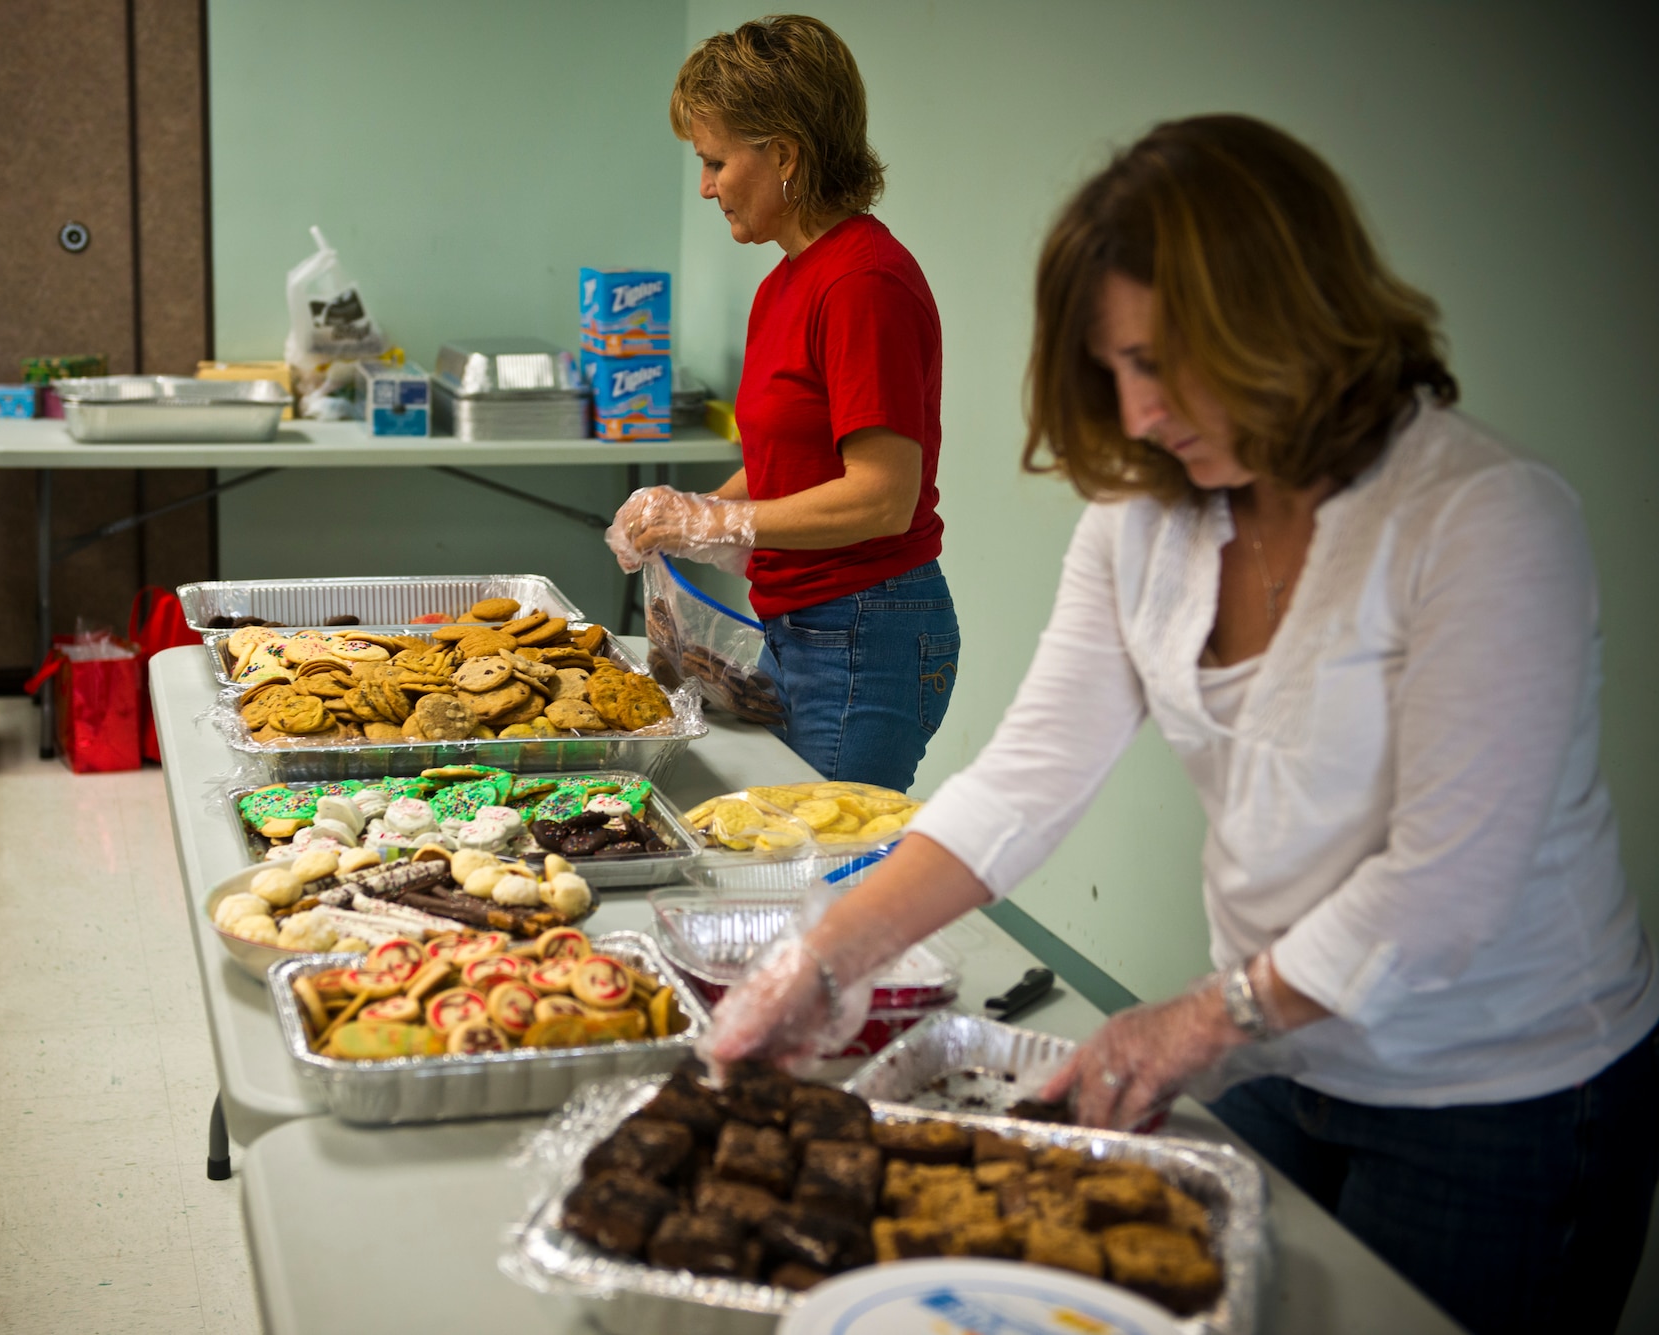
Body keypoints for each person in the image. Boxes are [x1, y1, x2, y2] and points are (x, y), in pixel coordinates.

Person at [701, 113, 1658, 1335]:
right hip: (1277, 1052)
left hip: (1502, 1090)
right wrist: (821, 956)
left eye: (1163, 363)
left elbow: (1445, 887)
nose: (1139, 414)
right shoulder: (1150, 518)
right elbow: (1024, 780)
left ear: (1294, 317)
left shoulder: (1481, 522)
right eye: (1111, 373)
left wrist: (1196, 1021)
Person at [605, 14, 956, 791]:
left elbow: (883, 497)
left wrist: (722, 522)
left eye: (717, 162)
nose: (705, 186)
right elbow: (785, 472)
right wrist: (684, 513)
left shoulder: (863, 283)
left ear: (786, 154)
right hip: (801, 624)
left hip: (865, 630)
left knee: (820, 864)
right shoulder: (784, 281)